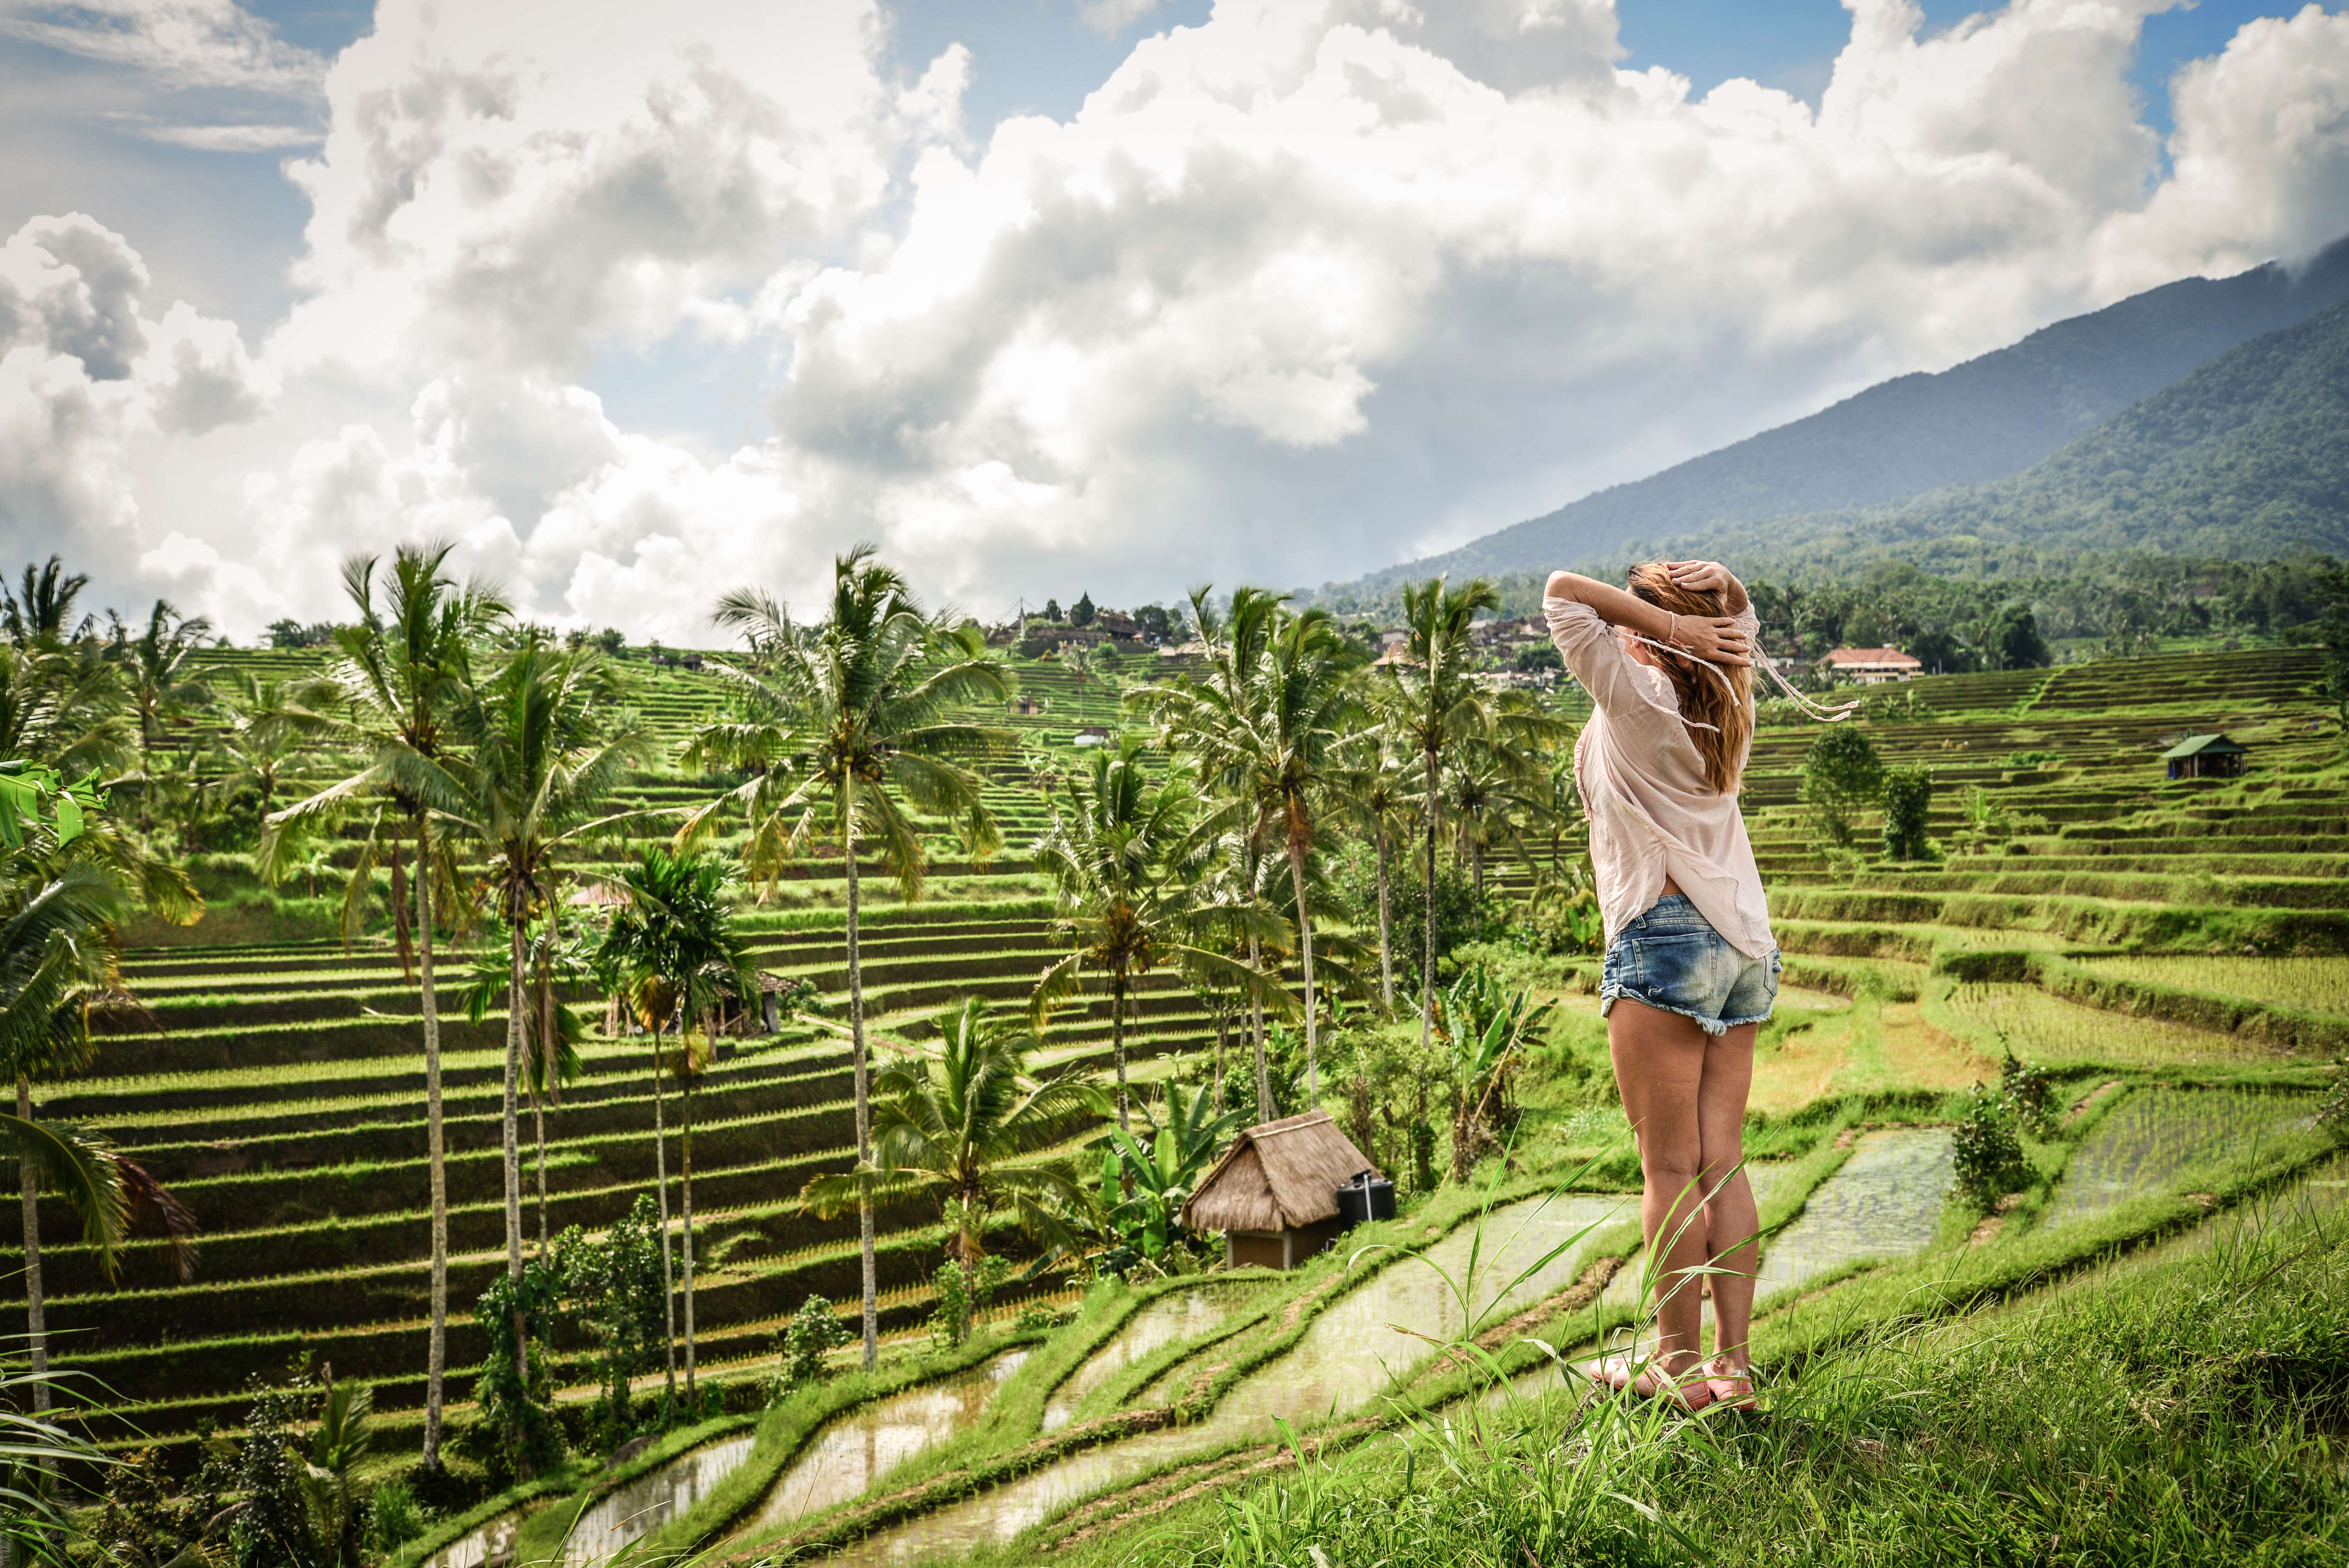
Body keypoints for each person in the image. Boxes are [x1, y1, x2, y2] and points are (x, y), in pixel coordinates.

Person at [1543, 558, 1771, 1413]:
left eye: (1640, 604)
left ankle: (1677, 1369)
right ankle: (1732, 1369)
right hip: (1741, 941)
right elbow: (1739, 629)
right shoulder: (1727, 693)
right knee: (1719, 1164)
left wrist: (1671, 623)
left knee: (1668, 1169)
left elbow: (1562, 590)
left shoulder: (1638, 692)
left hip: (1664, 937)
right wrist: (1726, 592)